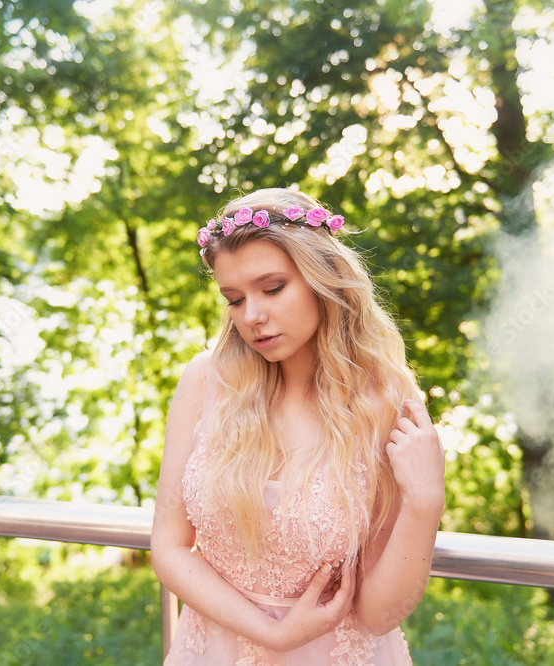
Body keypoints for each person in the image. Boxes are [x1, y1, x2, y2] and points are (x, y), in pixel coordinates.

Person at [151, 188, 445, 665]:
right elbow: (169, 547)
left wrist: (426, 501)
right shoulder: (206, 380)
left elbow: (377, 614)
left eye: (272, 288)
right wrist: (275, 635)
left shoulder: (386, 401)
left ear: (322, 277)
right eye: (233, 298)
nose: (252, 317)